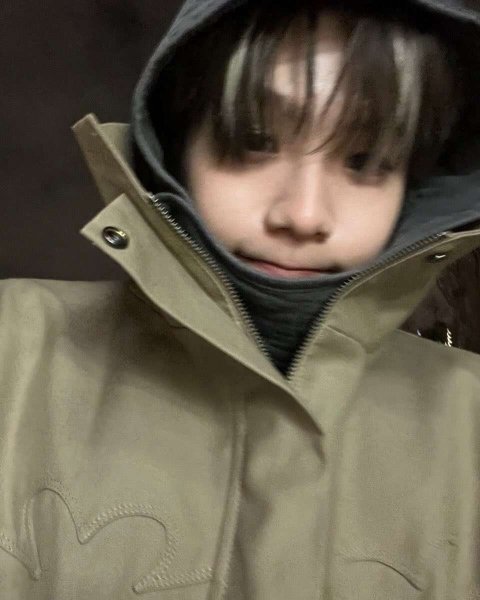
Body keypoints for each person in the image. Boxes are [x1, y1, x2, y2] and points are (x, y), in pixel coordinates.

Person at [1, 0, 480, 598]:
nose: (303, 215)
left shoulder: (469, 418)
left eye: (364, 161)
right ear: (174, 146)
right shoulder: (12, 349)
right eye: (254, 140)